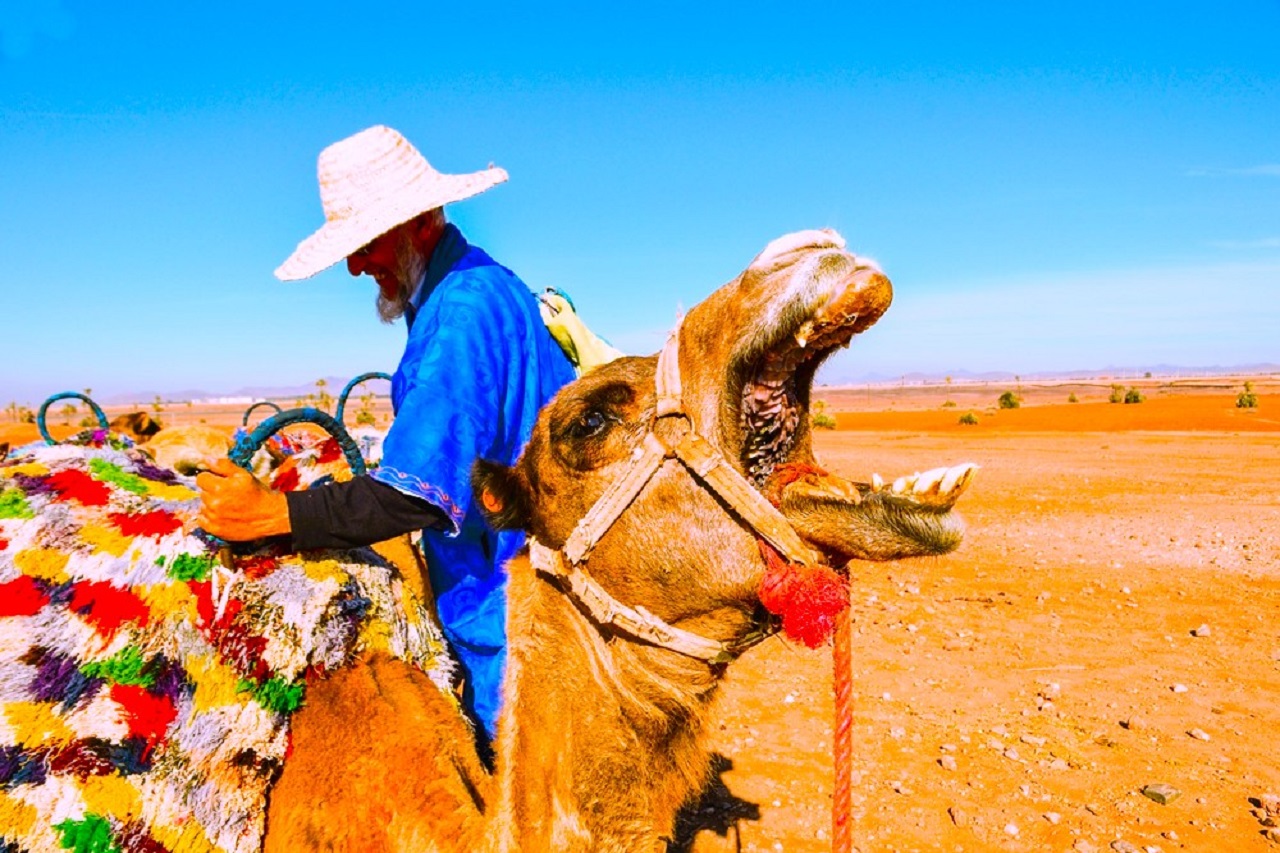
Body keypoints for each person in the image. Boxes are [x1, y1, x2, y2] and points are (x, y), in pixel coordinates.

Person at [196, 125, 576, 750]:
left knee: (527, 769)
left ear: (422, 222)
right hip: (521, 584)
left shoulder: (463, 309)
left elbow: (415, 494)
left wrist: (273, 512)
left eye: (366, 242)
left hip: (515, 602)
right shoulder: (470, 286)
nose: (354, 266)